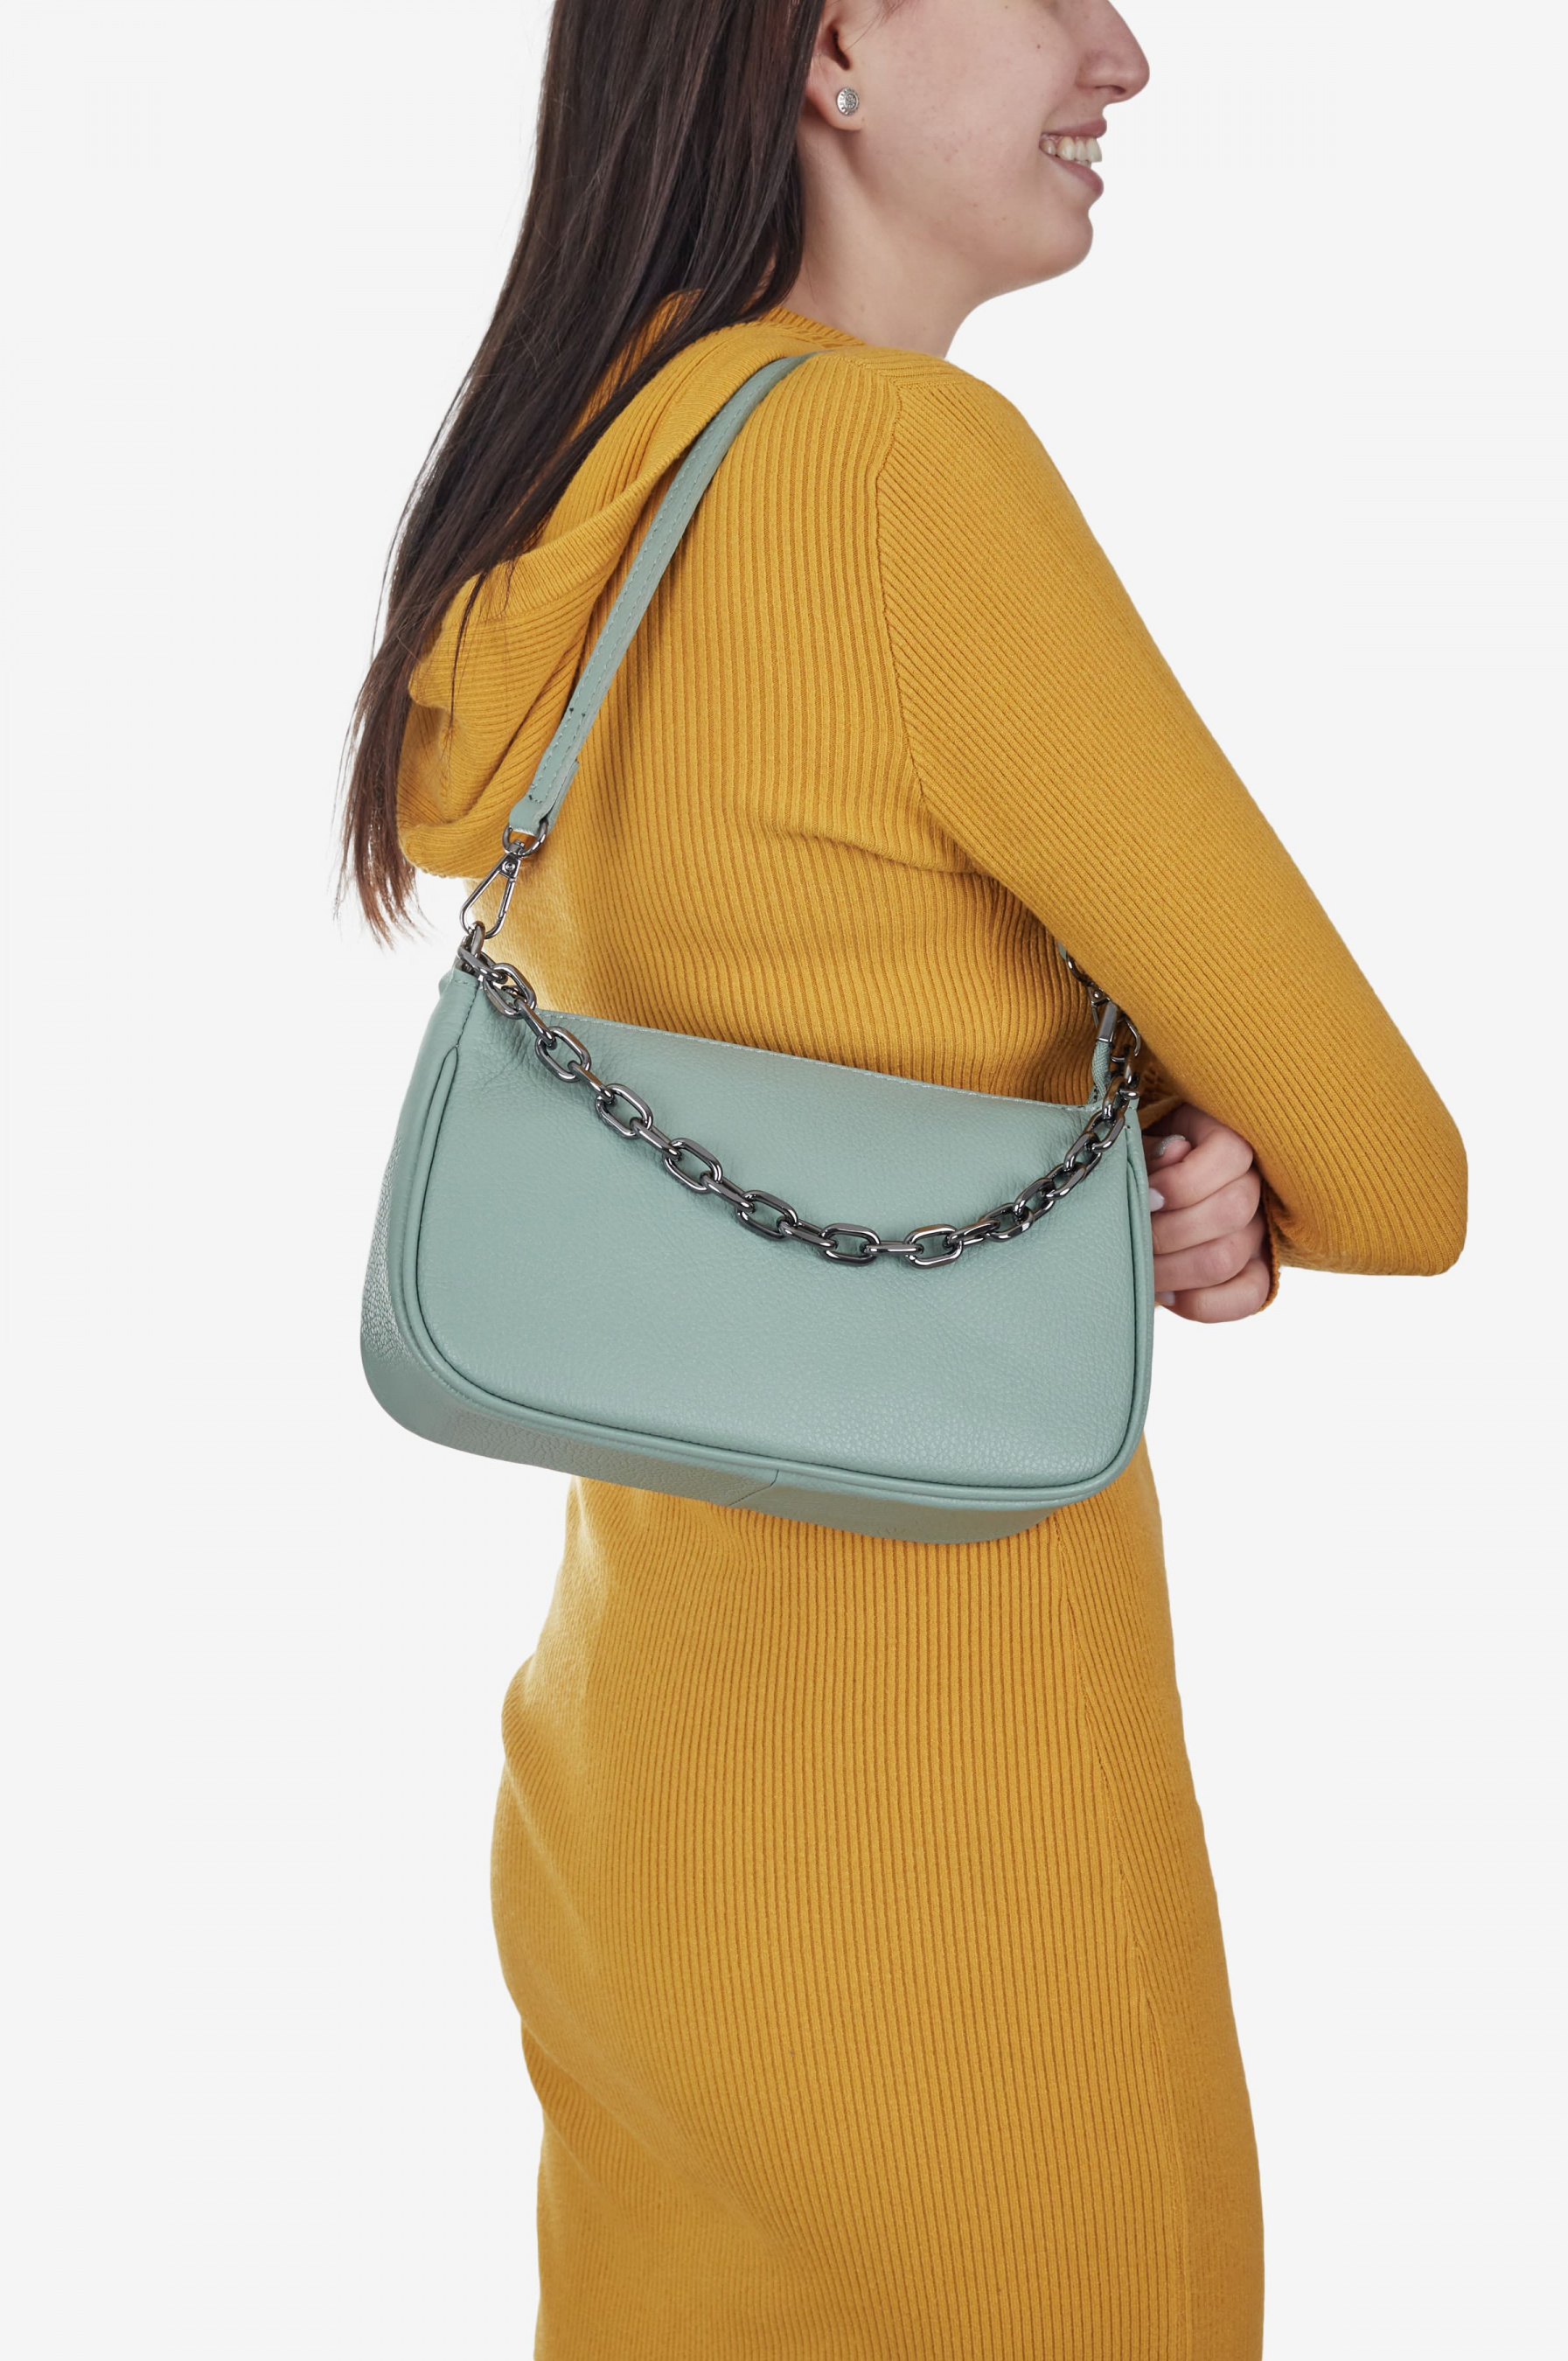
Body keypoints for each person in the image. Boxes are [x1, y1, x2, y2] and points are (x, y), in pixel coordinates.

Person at [339, 2, 1466, 2351]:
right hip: (956, 1837)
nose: (1121, 53)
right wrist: (1220, 1147)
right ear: (835, 43)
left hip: (632, 1799)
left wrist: (1156, 1136)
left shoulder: (588, 481)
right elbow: (1394, 1160)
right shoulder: (896, 474)